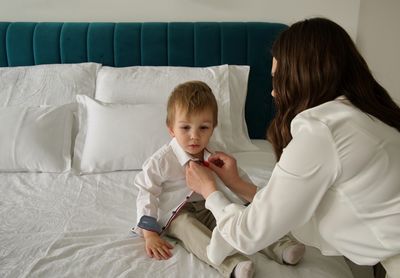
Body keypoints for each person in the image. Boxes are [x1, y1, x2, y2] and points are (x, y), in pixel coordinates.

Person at [185, 17, 400, 278]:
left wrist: (210, 192)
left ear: (302, 77)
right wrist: (238, 184)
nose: (273, 93)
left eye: (278, 79)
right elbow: (292, 203)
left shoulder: (321, 131)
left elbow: (248, 234)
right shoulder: (367, 113)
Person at [133, 80, 306, 278]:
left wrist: (245, 203)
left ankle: (280, 246)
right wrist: (150, 233)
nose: (194, 136)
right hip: (177, 212)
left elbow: (238, 180)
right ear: (171, 129)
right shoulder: (160, 161)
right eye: (185, 128)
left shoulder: (215, 155)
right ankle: (233, 264)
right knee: (189, 229)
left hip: (207, 205)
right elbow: (147, 192)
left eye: (203, 128)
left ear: (214, 127)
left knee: (235, 216)